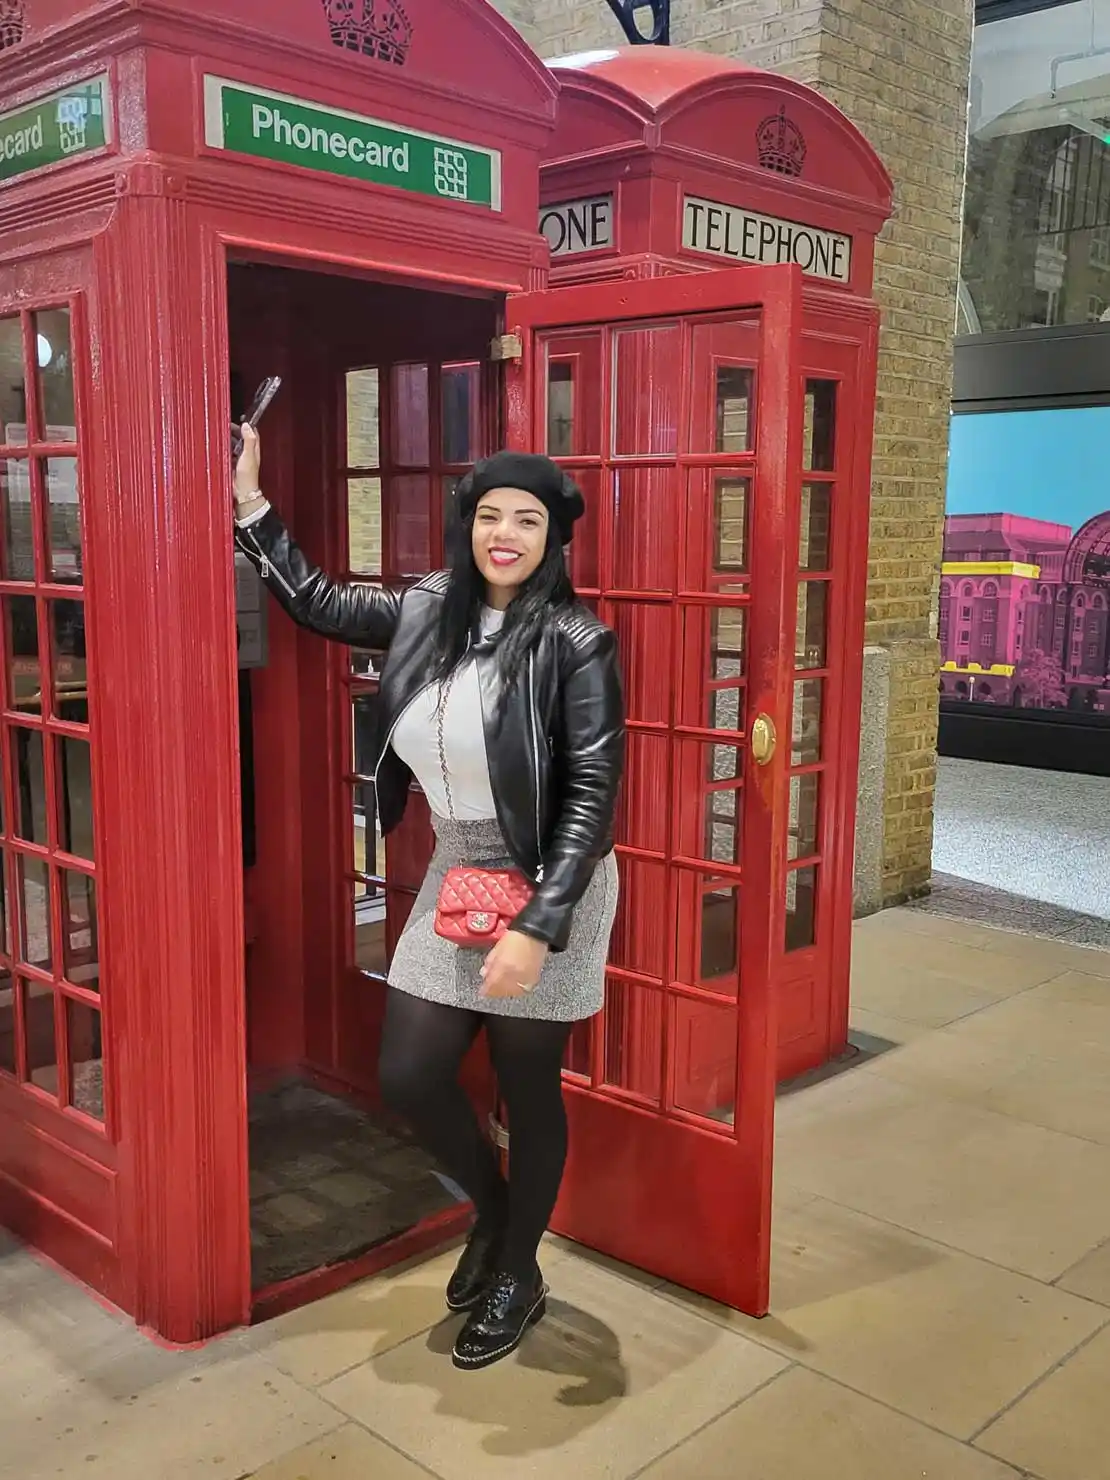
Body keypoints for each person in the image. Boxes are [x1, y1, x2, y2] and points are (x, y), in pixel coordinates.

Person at [232, 428, 624, 1370]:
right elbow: (319, 601)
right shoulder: (425, 609)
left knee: (527, 1087)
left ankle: (519, 1270)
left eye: (526, 520)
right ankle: (494, 1215)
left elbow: (591, 796)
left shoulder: (577, 643)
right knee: (409, 1074)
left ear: (553, 540)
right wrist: (249, 499)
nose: (504, 534)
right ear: (467, 525)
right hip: (459, 865)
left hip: (550, 874)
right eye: (489, 515)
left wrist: (540, 925)